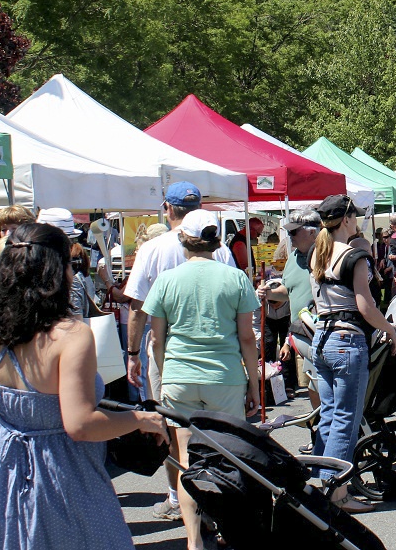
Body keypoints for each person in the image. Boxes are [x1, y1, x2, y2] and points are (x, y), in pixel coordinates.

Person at [0, 223, 167, 550]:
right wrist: (140, 419)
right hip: (63, 476)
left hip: (3, 476)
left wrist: (6, 409)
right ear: (55, 271)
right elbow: (80, 425)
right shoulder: (71, 336)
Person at [142, 210, 261, 549]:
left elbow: (156, 339)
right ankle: (229, 529)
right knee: (228, 456)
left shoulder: (167, 280)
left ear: (183, 238)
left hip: (180, 376)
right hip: (223, 377)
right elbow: (247, 339)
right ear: (218, 240)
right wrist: (253, 384)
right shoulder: (235, 278)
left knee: (185, 460)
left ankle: (194, 540)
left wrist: (166, 377)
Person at [123, 181, 236, 521]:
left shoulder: (153, 249)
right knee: (218, 430)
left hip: (168, 348)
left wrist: (132, 353)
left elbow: (137, 307)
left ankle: (177, 496)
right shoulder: (222, 250)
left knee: (173, 429)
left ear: (167, 209)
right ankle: (217, 497)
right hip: (217, 348)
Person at [309, 194, 396, 511]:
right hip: (346, 341)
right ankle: (338, 493)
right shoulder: (353, 257)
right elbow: (365, 305)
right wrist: (389, 329)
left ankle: (323, 484)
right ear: (347, 219)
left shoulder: (317, 253)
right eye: (355, 216)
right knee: (346, 418)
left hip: (322, 338)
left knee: (330, 416)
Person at [259, 208, 324, 410]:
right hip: (302, 332)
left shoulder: (326, 255)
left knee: (322, 386)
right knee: (314, 385)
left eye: (294, 232)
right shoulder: (294, 257)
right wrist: (268, 294)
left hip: (322, 331)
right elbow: (287, 291)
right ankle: (321, 428)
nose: (290, 236)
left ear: (312, 232)